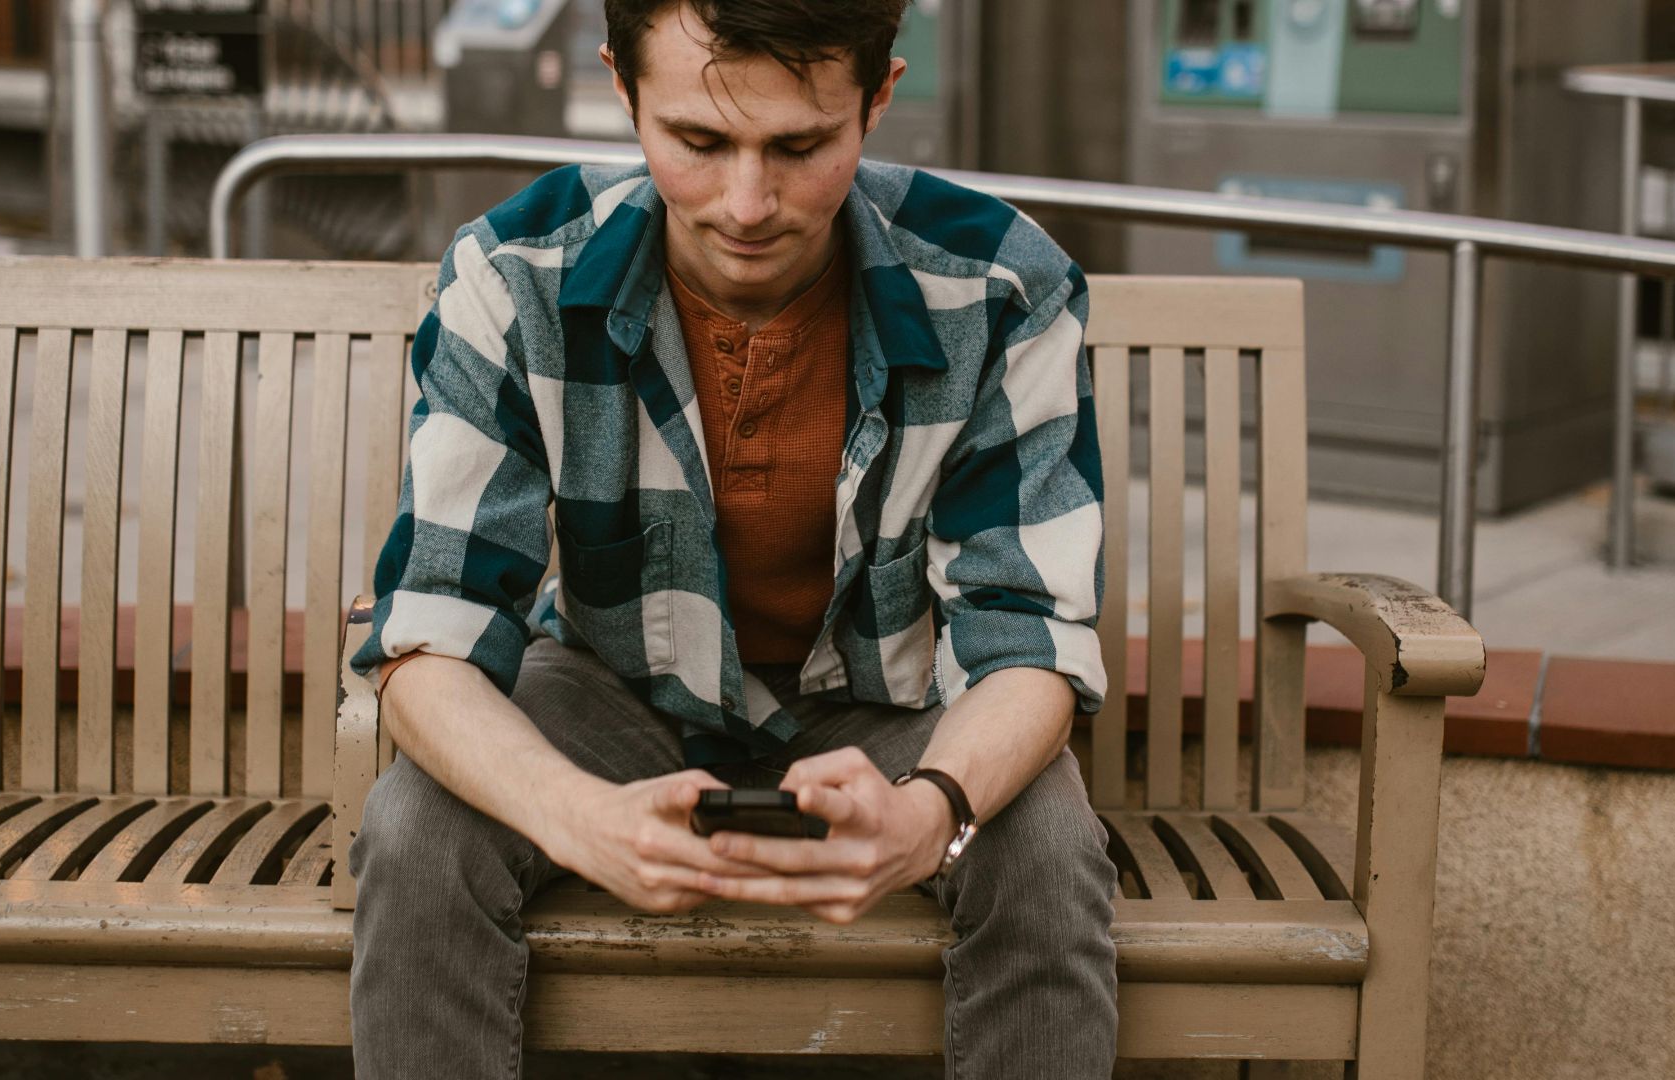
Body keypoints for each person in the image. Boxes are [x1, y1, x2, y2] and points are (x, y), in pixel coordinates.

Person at [345, 1, 1118, 1075]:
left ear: (879, 97)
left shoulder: (999, 284)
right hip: (613, 688)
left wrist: (928, 810)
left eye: (800, 147)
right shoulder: (514, 275)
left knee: (1043, 846)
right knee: (416, 831)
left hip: (885, 701)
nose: (747, 204)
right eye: (698, 142)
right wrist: (576, 816)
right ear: (622, 89)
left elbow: (1028, 639)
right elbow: (429, 632)